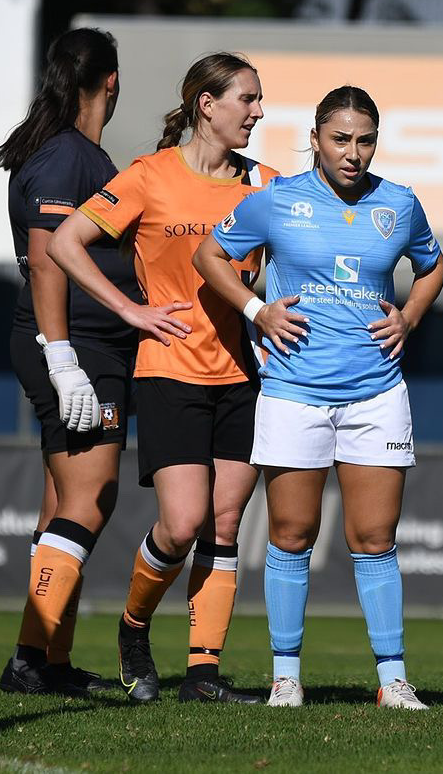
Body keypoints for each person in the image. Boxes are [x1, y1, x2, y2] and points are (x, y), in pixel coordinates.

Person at [193, 85, 443, 709]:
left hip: (376, 393)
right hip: (293, 392)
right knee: (291, 532)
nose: (353, 153)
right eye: (340, 139)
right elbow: (209, 255)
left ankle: (393, 682)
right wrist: (257, 309)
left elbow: (434, 266)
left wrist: (410, 317)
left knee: (375, 537)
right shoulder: (276, 200)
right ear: (314, 140)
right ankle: (286, 678)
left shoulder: (399, 202)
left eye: (365, 141)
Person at [47, 53, 279, 704]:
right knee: (181, 524)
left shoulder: (267, 183)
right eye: (248, 99)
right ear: (207, 103)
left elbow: (287, 262)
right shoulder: (150, 175)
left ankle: (203, 674)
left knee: (224, 524)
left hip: (244, 374)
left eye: (259, 100)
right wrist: (130, 309)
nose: (258, 112)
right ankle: (133, 627)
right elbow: (64, 243)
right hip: (169, 370)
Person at [0, 28, 161, 696]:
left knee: (63, 503)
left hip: (86, 345)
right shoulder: (66, 156)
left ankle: (48, 661)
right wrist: (63, 360)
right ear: (111, 81)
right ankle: (29, 657)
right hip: (76, 347)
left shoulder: (80, 153)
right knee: (92, 498)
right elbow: (46, 261)